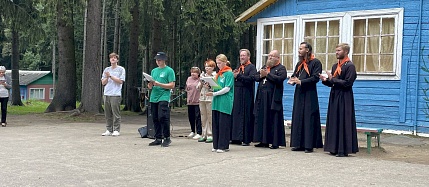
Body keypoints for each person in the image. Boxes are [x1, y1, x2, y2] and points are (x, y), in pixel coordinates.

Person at [319, 43, 359, 157]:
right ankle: (333, 147)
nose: (336, 52)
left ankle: (343, 149)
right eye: (336, 50)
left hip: (345, 96)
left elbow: (348, 83)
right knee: (334, 120)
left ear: (345, 52)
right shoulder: (335, 66)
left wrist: (333, 79)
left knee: (343, 121)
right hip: (334, 95)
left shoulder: (350, 66)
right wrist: (326, 80)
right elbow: (332, 83)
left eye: (339, 50)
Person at [288, 42, 323, 153]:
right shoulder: (300, 63)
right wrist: (292, 79)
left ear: (307, 50)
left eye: (301, 48)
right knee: (298, 117)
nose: (299, 50)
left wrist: (301, 81)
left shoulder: (316, 62)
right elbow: (295, 75)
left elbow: (315, 78)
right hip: (299, 92)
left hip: (309, 93)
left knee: (309, 117)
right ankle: (298, 144)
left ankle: (309, 145)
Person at [253, 50, 287, 149]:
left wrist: (267, 74)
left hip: (272, 97)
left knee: (273, 119)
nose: (270, 57)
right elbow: (255, 77)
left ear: (278, 58)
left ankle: (275, 142)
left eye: (272, 56)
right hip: (262, 97)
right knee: (262, 118)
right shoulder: (265, 67)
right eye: (269, 56)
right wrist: (261, 75)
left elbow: (280, 79)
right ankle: (263, 141)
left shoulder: (281, 68)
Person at [206, 54, 234, 153]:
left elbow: (227, 88)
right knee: (216, 123)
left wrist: (214, 93)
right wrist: (210, 85)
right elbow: (216, 86)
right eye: (217, 63)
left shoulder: (229, 73)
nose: (218, 65)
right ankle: (216, 144)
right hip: (217, 101)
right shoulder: (218, 74)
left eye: (220, 63)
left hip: (225, 101)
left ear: (225, 62)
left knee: (223, 124)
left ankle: (223, 145)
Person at [148, 52, 176, 147]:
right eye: (156, 60)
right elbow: (150, 85)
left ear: (164, 60)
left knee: (162, 116)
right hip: (154, 96)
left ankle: (167, 137)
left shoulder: (169, 71)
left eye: (159, 60)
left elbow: (172, 85)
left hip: (164, 95)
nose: (158, 62)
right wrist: (150, 85)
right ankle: (158, 137)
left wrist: (159, 84)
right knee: (155, 117)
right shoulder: (154, 71)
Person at [231, 49, 257, 146]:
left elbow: (252, 78)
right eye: (241, 55)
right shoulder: (239, 67)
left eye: (244, 55)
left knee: (245, 115)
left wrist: (239, 76)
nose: (242, 57)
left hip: (246, 93)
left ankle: (245, 138)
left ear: (248, 57)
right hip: (237, 93)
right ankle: (235, 137)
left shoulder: (251, 67)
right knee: (236, 115)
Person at [101, 53, 126, 136]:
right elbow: (103, 82)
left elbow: (120, 81)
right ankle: (109, 129)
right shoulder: (106, 69)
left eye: (114, 58)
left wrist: (110, 76)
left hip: (115, 93)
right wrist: (107, 77)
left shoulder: (121, 69)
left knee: (116, 113)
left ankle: (116, 129)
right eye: (111, 58)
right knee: (107, 113)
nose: (113, 59)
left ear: (117, 60)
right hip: (107, 93)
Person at [196, 59, 217, 143]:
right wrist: (201, 81)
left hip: (210, 98)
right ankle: (203, 134)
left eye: (209, 66)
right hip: (202, 97)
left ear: (213, 67)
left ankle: (210, 134)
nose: (207, 68)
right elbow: (198, 88)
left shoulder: (215, 75)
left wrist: (210, 86)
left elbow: (216, 87)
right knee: (203, 116)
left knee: (210, 116)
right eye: (206, 66)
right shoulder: (202, 75)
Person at [185, 67, 203, 140]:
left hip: (198, 100)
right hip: (190, 100)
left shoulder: (200, 79)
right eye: (192, 72)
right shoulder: (189, 79)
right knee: (191, 117)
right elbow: (187, 88)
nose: (193, 74)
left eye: (195, 72)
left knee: (198, 116)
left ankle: (199, 132)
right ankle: (192, 130)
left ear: (198, 73)